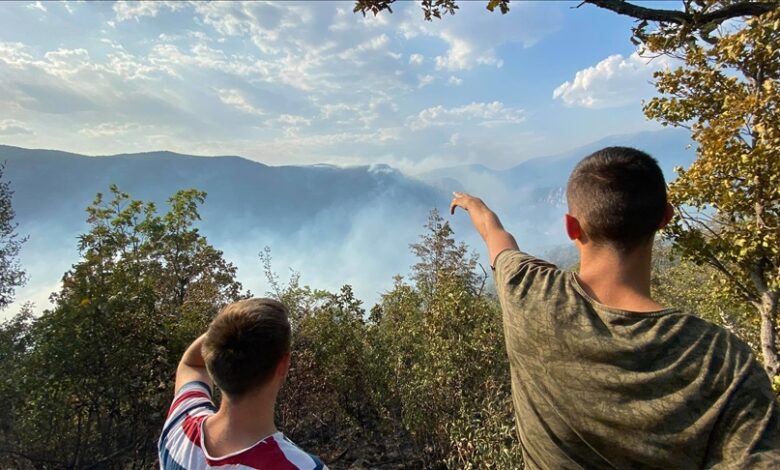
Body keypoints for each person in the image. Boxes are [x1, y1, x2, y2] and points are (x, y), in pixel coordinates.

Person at [450, 146, 780, 468]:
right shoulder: (723, 361)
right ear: (665, 217)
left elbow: (496, 236)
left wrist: (474, 205)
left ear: (571, 227)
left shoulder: (527, 293)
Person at [158, 298, 327, 469]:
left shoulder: (181, 426)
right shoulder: (303, 467)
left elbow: (191, 363)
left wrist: (228, 329)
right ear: (283, 366)